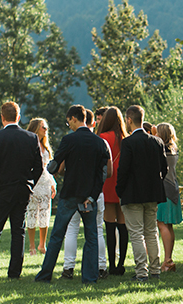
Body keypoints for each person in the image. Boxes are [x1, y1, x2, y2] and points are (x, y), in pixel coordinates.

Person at [35, 105, 111, 285]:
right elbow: (103, 174)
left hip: (70, 193)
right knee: (91, 236)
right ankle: (90, 277)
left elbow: (55, 165)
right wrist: (92, 196)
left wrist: (50, 168)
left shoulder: (68, 140)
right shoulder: (99, 142)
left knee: (57, 235)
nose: (68, 124)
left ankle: (45, 274)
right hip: (89, 196)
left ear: (74, 118)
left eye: (68, 121)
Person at [0, 101, 44, 280]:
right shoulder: (31, 138)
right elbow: (39, 167)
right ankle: (14, 273)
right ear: (18, 117)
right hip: (22, 189)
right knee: (18, 231)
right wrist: (30, 185)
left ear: (2, 117)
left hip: (1, 190)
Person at [116, 105, 168, 282]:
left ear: (129, 120)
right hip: (152, 193)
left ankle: (141, 272)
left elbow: (123, 170)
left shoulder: (128, 142)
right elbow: (164, 168)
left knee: (136, 233)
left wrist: (119, 189)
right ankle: (155, 270)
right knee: (151, 231)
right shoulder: (157, 141)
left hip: (132, 193)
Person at [62, 108, 109, 279]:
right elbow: (107, 171)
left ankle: (68, 267)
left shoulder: (71, 140)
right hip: (95, 191)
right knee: (97, 230)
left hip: (74, 190)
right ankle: (101, 266)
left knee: (72, 229)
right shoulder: (100, 142)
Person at [98, 106, 129, 275]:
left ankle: (111, 264)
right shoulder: (126, 138)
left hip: (107, 181)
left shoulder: (102, 137)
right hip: (122, 183)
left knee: (109, 225)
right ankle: (121, 263)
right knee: (123, 225)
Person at [25, 118, 56, 256]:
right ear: (36, 128)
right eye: (43, 127)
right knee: (31, 213)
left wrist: (52, 183)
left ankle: (42, 245)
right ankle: (31, 246)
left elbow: (48, 168)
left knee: (45, 214)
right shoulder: (29, 144)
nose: (46, 129)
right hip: (33, 182)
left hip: (45, 183)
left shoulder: (46, 147)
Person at [155, 122, 182, 273]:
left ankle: (167, 260)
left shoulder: (162, 150)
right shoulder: (173, 148)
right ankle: (169, 259)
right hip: (173, 187)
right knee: (169, 225)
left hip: (164, 188)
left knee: (162, 223)